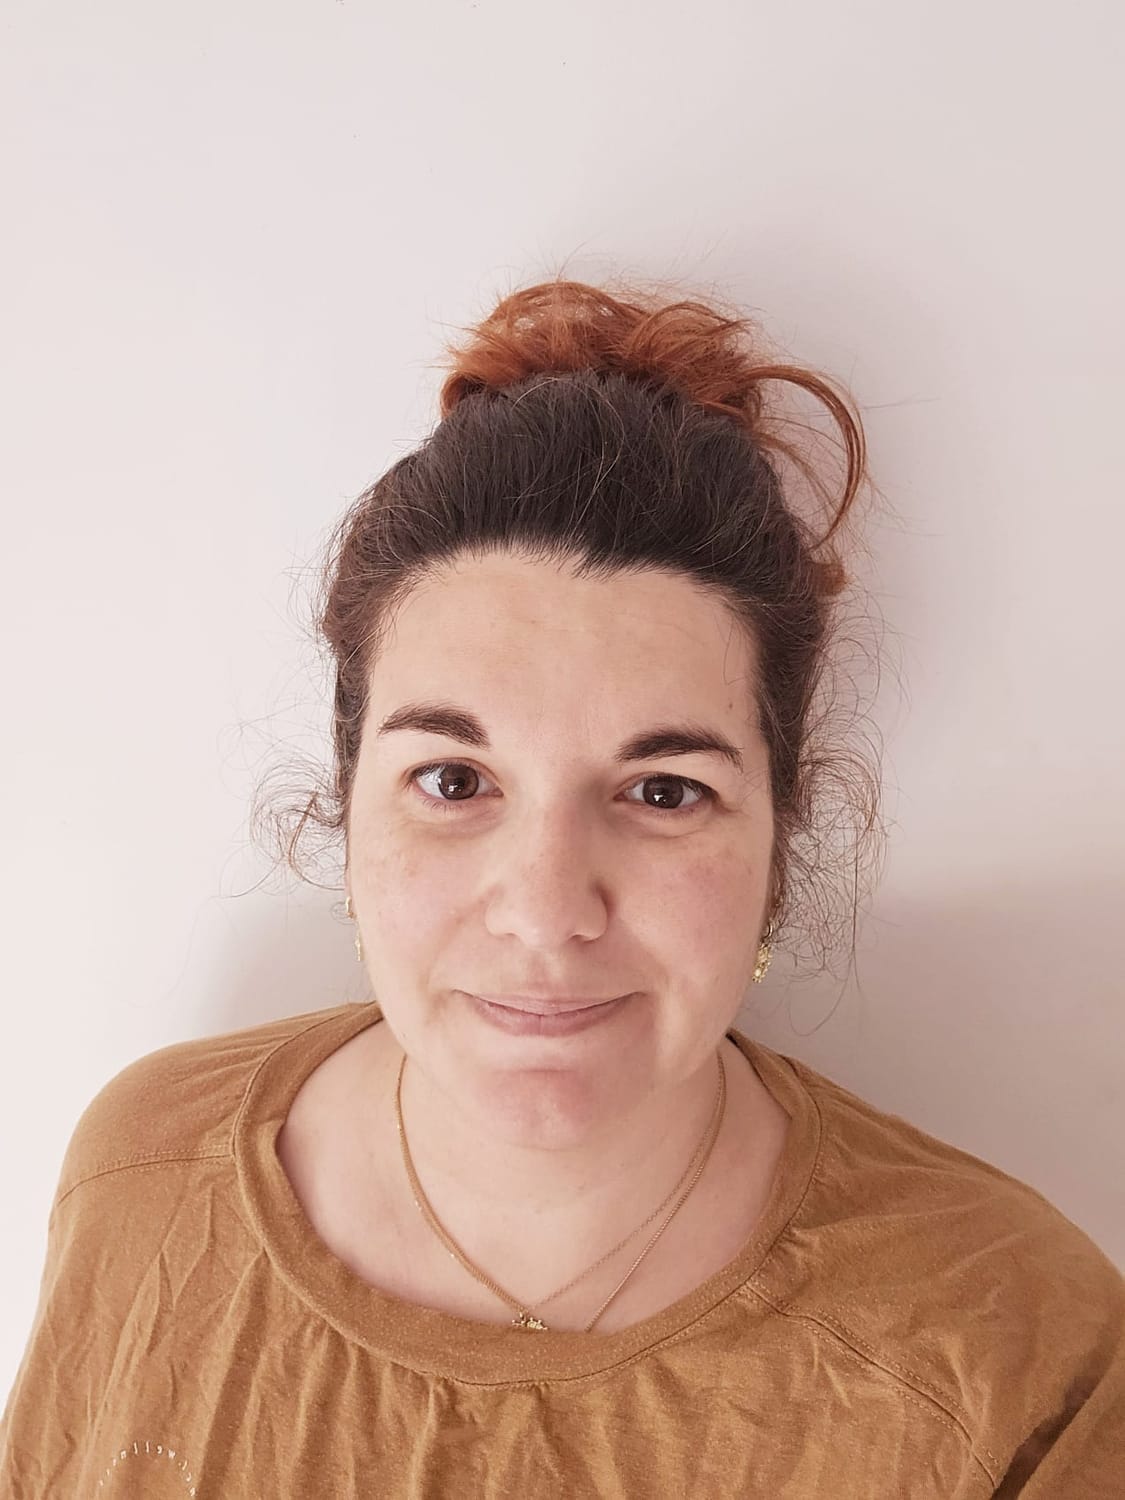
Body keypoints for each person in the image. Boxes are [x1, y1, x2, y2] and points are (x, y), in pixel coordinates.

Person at [2, 277, 1122, 1498]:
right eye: (453, 780)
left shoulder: (1019, 1356)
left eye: (663, 791)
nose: (544, 913)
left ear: (780, 838)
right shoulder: (145, 1177)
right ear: (347, 806)